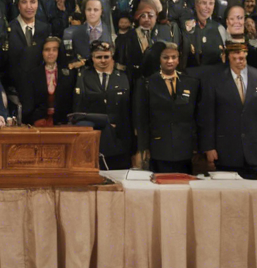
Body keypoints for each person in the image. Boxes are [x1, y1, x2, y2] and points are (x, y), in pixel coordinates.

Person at [199, 41, 257, 179]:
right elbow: (207, 116)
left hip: (256, 149)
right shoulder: (213, 80)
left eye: (242, 58)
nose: (239, 61)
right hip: (226, 150)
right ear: (227, 57)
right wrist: (209, 147)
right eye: (234, 58)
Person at [134, 42, 199, 173]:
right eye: (165, 57)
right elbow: (142, 118)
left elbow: (196, 116)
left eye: (174, 57)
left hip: (184, 147)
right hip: (159, 146)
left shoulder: (190, 82)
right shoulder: (147, 83)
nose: (170, 61)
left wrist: (196, 146)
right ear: (159, 58)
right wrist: (143, 147)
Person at [72, 40, 135, 169]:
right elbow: (79, 107)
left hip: (119, 137)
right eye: (98, 57)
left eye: (106, 57)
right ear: (93, 58)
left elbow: (128, 109)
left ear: (112, 57)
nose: (103, 60)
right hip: (95, 135)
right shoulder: (84, 76)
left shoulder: (123, 76)